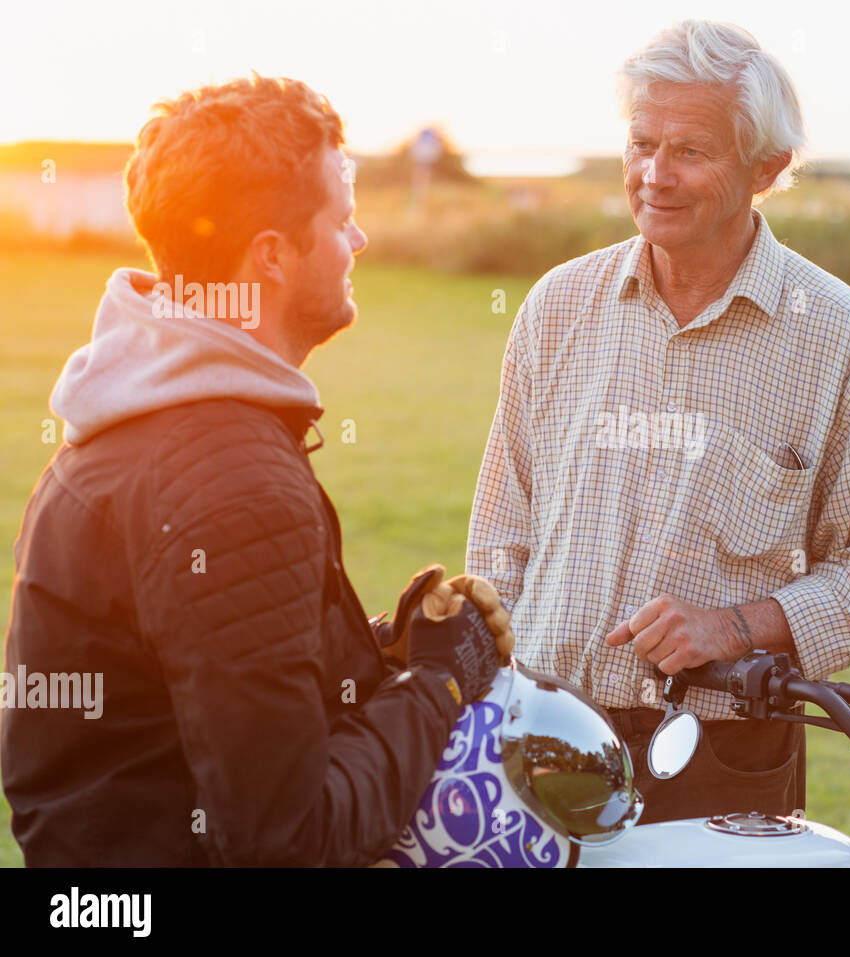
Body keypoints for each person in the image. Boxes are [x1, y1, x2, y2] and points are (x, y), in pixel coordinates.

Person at [1, 75, 508, 866]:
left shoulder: (128, 411)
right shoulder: (231, 484)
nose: (361, 242)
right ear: (270, 256)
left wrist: (385, 652)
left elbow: (192, 689)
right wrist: (438, 685)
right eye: (342, 221)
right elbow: (286, 835)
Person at [465, 20, 850, 824]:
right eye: (642, 143)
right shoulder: (556, 307)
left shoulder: (839, 336)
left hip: (721, 757)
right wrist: (485, 701)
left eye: (690, 150)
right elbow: (501, 540)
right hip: (537, 739)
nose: (655, 175)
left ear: (767, 168)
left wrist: (736, 627)